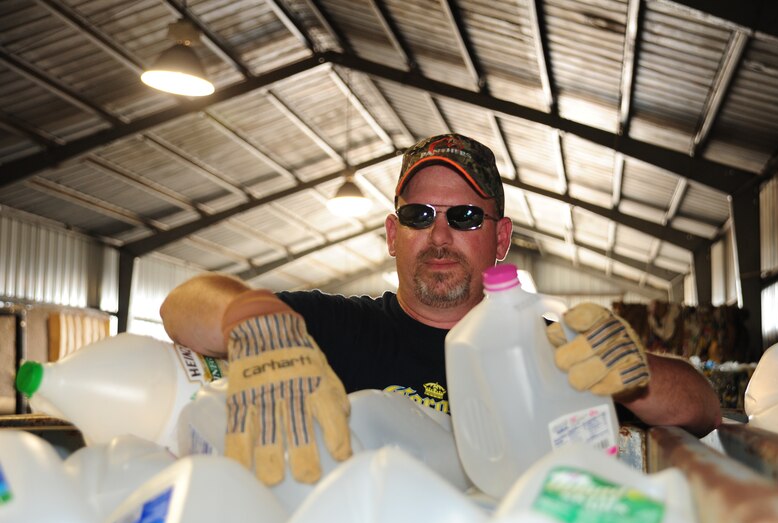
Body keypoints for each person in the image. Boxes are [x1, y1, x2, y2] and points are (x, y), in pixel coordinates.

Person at [161, 133, 721, 485]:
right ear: (391, 233)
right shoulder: (337, 328)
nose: (439, 234)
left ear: (500, 239)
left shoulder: (555, 353)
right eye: (419, 215)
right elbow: (182, 307)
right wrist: (257, 319)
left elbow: (702, 408)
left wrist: (636, 377)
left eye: (465, 218)